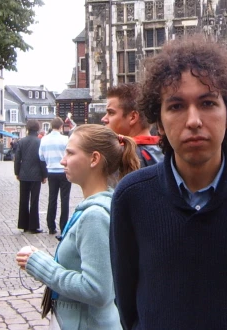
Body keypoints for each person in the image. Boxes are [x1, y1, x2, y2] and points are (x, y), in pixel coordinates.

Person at [110, 36, 227, 330]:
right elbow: (128, 304)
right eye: (176, 106)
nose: (193, 120)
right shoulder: (132, 197)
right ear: (158, 119)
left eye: (208, 103)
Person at [17, 125, 139, 329]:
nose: (63, 160)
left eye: (70, 153)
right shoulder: (101, 207)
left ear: (94, 159)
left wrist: (40, 264)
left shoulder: (95, 216)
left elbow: (97, 290)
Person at [102, 83, 164, 166]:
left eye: (111, 113)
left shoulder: (119, 157)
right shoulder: (168, 152)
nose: (104, 119)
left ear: (133, 117)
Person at [40, 117, 71, 236]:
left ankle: (51, 226)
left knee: (52, 198)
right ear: (61, 126)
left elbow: (41, 157)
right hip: (63, 171)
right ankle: (63, 226)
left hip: (51, 171)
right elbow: (69, 154)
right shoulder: (65, 139)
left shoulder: (44, 139)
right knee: (65, 199)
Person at [15, 119, 48, 233]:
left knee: (23, 200)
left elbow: (17, 159)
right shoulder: (40, 142)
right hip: (36, 174)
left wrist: (17, 172)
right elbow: (42, 160)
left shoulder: (21, 141)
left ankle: (23, 224)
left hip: (24, 173)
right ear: (37, 129)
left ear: (27, 129)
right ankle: (33, 226)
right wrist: (44, 174)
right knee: (34, 200)